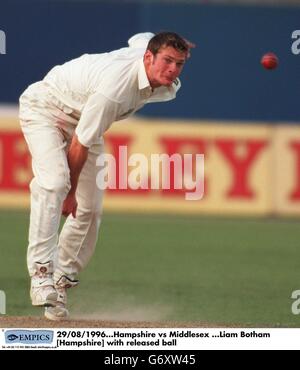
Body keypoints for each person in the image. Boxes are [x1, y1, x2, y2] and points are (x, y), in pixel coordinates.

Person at [19, 31, 193, 321]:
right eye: (167, 60)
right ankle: (41, 274)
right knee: (55, 183)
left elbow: (142, 36)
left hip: (87, 119)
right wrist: (70, 193)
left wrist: (178, 42)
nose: (173, 69)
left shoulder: (153, 62)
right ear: (148, 57)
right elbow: (79, 144)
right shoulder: (116, 87)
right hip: (47, 109)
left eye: (180, 62)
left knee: (89, 209)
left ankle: (60, 282)